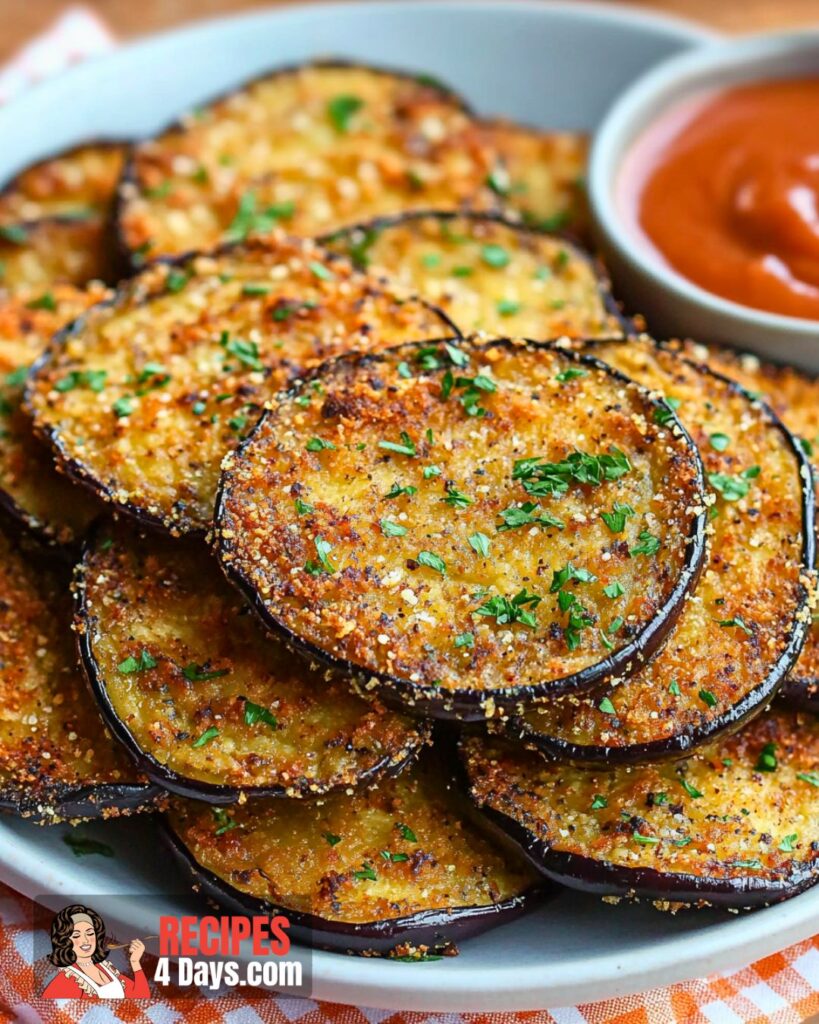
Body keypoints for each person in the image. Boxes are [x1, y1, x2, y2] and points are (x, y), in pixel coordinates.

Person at [41, 904, 149, 999]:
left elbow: (141, 997)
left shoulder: (106, 968)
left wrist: (135, 962)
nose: (86, 940)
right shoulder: (67, 980)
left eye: (90, 933)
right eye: (76, 935)